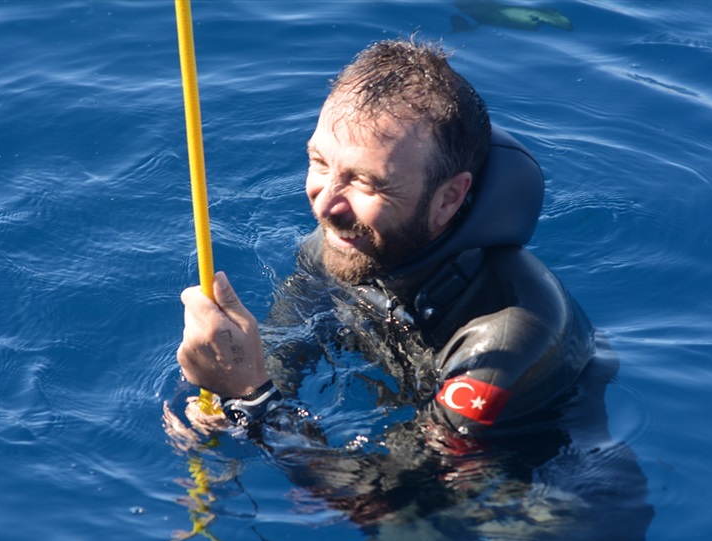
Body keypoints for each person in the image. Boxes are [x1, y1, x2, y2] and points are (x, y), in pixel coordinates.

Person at [176, 37, 593, 436]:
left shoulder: (503, 341)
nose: (326, 207)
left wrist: (253, 400)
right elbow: (283, 352)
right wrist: (223, 396)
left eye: (366, 183)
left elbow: (397, 501)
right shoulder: (349, 240)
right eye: (320, 163)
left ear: (449, 198)